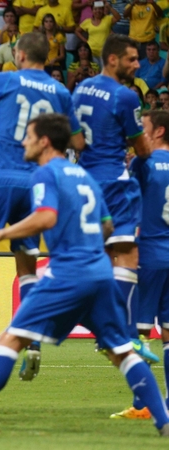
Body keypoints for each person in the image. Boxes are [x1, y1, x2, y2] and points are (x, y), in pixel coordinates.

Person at [0, 113, 169, 438]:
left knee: (10, 339)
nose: (22, 141)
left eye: (28, 136)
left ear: (44, 141)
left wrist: (1, 233)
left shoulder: (45, 174)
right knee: (121, 349)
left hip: (67, 273)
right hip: (99, 272)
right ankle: (165, 423)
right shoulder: (85, 176)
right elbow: (107, 225)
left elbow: (46, 216)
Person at [0, 31, 84, 377]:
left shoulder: (4, 79)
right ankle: (32, 340)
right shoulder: (60, 91)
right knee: (27, 264)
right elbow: (76, 140)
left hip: (0, 177)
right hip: (38, 183)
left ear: (20, 54)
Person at [72, 35, 162, 395]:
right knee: (127, 255)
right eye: (131, 59)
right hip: (114, 181)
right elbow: (141, 147)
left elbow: (77, 142)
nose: (137, 65)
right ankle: (122, 332)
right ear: (111, 59)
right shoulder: (126, 96)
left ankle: (101, 328)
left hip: (84, 181)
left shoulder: (78, 90)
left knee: (96, 259)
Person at [126, 109, 169, 421]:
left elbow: (125, 202)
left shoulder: (142, 163)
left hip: (149, 253)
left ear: (159, 131)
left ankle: (142, 404)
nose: (140, 133)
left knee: (139, 333)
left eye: (144, 128)